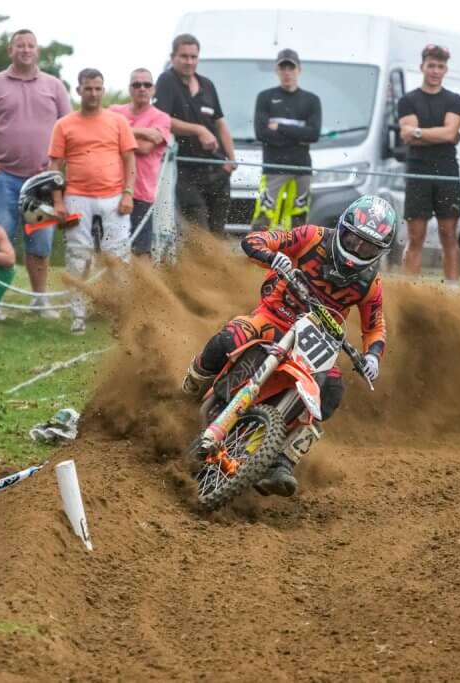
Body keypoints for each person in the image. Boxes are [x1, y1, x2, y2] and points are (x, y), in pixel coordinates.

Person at [182, 196, 396, 497]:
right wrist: (272, 257)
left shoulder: (370, 283)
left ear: (380, 251)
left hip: (317, 341)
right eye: (353, 239)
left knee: (331, 391)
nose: (357, 249)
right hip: (273, 318)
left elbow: (374, 327)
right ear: (342, 229)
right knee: (229, 338)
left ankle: (281, 461)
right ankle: (190, 388)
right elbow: (256, 240)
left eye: (368, 247)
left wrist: (373, 356)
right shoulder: (312, 237)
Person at [0, 29, 71, 316]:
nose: (25, 50)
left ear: (37, 50)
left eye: (30, 45)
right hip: (3, 178)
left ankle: (39, 300)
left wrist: (56, 168)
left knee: (40, 242)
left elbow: (69, 128)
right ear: (10, 50)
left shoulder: (54, 86)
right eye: (20, 45)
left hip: (41, 180)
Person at [48, 68, 136, 335]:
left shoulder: (118, 121)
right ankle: (78, 315)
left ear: (103, 90)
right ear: (79, 90)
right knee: (78, 255)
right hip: (77, 195)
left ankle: (121, 315)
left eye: (98, 88)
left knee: (118, 255)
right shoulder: (64, 124)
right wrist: (57, 201)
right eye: (88, 88)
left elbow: (129, 158)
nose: (93, 93)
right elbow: (54, 166)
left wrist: (128, 192)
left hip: (114, 196)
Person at [153, 34, 235, 234]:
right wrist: (199, 130)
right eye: (184, 56)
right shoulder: (166, 81)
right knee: (198, 230)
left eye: (193, 57)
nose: (189, 62)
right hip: (185, 170)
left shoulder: (207, 85)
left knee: (218, 232)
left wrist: (231, 159)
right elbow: (162, 119)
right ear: (173, 57)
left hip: (216, 168)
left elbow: (220, 122)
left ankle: (217, 257)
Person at [398, 45, 460, 286]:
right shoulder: (407, 100)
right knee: (415, 238)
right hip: (418, 171)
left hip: (447, 171)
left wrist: (418, 132)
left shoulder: (454, 100)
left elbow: (450, 133)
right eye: (431, 66)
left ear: (446, 69)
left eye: (440, 66)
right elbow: (406, 137)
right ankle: (409, 293)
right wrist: (440, 134)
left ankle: (453, 292)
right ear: (422, 67)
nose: (435, 71)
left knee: (449, 235)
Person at [252, 49, 322, 230]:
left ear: (299, 70)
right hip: (273, 168)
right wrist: (298, 136)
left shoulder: (312, 100)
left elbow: (313, 134)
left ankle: (293, 250)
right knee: (263, 218)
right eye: (282, 68)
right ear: (277, 70)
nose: (287, 73)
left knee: (298, 220)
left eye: (291, 68)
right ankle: (258, 248)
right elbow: (261, 133)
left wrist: (280, 128)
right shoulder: (265, 97)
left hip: (301, 169)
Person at [108, 69, 171, 260]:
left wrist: (121, 130)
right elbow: (105, 137)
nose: (142, 88)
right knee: (108, 248)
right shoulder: (114, 111)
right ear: (130, 88)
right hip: (111, 190)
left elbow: (145, 148)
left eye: (147, 84)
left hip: (142, 193)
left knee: (141, 251)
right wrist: (143, 132)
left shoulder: (161, 117)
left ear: (153, 89)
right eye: (137, 84)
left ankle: (143, 281)